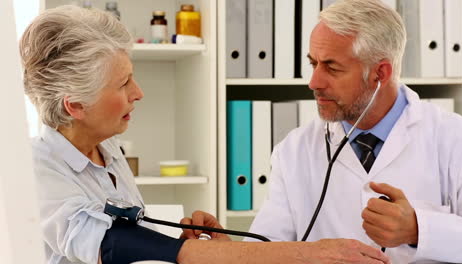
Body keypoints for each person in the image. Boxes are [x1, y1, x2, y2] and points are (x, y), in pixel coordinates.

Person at [21, 5, 390, 264]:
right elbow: (114, 245)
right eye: (123, 83)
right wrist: (304, 255)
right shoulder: (33, 170)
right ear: (75, 106)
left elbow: (142, 245)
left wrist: (179, 242)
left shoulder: (108, 151)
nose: (138, 92)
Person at [183, 0, 462, 263]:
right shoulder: (294, 150)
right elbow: (273, 246)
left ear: (380, 74)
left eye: (331, 68)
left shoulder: (455, 138)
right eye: (313, 63)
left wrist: (419, 229)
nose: (314, 82)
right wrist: (231, 248)